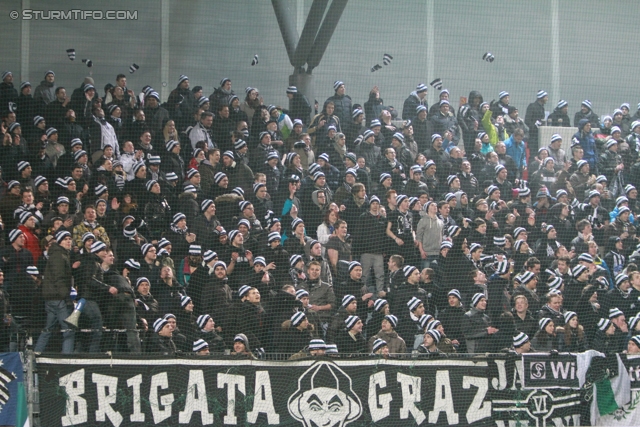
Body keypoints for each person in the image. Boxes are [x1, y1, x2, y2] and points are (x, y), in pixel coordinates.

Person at [34, 231, 74, 354]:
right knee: (68, 331)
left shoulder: (59, 254)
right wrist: (66, 297)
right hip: (58, 299)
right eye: (65, 239)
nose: (69, 241)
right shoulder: (58, 255)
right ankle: (67, 361)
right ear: (60, 241)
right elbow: (59, 278)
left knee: (48, 329)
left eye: (70, 239)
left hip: (52, 299)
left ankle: (36, 354)